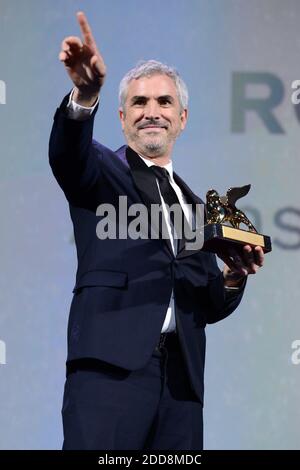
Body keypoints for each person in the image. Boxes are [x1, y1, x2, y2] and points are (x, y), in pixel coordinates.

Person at [49, 11, 264, 450]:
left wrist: (231, 277)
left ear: (182, 119)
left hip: (181, 387)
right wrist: (84, 94)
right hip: (109, 376)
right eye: (140, 103)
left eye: (164, 103)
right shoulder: (102, 172)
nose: (152, 113)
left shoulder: (197, 209)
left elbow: (202, 299)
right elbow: (68, 155)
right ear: (122, 116)